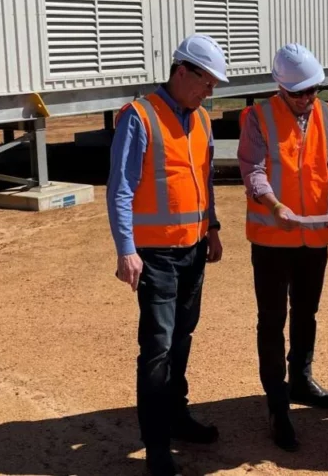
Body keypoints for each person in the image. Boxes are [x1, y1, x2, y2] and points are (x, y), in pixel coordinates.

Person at [106, 34, 228, 476]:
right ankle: (157, 444)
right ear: (182, 72)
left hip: (193, 251)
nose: (209, 91)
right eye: (206, 82)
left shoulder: (201, 120)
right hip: (154, 256)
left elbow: (204, 180)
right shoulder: (139, 118)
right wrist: (126, 250)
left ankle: (177, 417)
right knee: (156, 349)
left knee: (181, 339)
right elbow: (120, 188)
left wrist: (211, 227)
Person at [237, 43, 328, 452]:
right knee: (271, 320)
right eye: (298, 93)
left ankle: (301, 380)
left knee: (306, 311)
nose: (307, 100)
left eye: (312, 90)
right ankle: (277, 402)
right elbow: (252, 170)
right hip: (273, 238)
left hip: (314, 236)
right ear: (280, 87)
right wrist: (274, 205)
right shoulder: (257, 117)